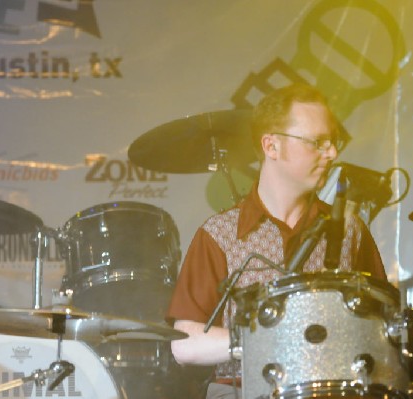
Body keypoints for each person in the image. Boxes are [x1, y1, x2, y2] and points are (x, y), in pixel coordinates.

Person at [166, 83, 387, 399]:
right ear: (272, 146)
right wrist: (268, 339)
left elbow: (381, 329)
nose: (332, 153)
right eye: (317, 142)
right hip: (242, 390)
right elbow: (184, 343)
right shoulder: (219, 234)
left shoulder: (349, 229)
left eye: (333, 141)